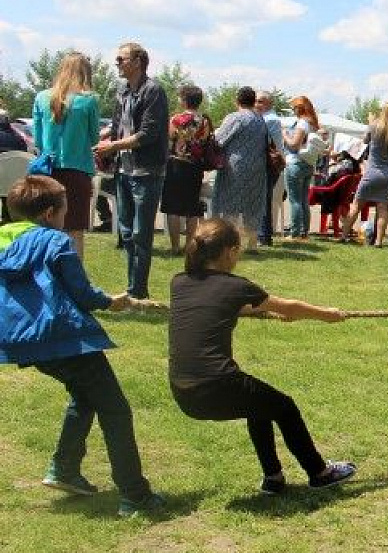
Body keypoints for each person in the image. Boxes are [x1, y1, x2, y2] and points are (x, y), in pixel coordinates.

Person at [0, 175, 164, 517]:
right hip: (63, 338)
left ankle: (65, 469)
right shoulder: (56, 241)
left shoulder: (3, 239)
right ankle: (135, 495)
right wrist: (113, 301)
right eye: (65, 209)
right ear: (49, 213)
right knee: (116, 410)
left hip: (22, 340)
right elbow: (84, 296)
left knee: (85, 394)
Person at [168, 217, 355, 493]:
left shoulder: (180, 282)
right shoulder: (236, 286)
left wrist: (265, 313)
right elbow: (289, 306)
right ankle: (320, 473)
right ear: (230, 251)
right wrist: (326, 315)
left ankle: (274, 478)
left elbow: (218, 306)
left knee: (259, 404)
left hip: (183, 391)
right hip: (217, 384)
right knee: (285, 407)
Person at [94, 41, 169, 300]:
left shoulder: (153, 91)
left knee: (140, 234)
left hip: (147, 172)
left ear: (138, 61)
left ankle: (138, 291)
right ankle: (133, 288)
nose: (117, 63)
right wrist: (104, 141)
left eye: (121, 59)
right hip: (123, 171)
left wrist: (113, 144)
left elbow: (149, 133)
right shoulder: (122, 90)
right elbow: (117, 126)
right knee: (125, 232)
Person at [31, 52, 101, 259]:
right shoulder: (89, 100)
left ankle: (46, 277)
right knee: (74, 231)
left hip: (47, 172)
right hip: (77, 171)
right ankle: (74, 282)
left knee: (46, 229)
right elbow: (94, 138)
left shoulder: (41, 97)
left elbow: (37, 140)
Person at [211, 87, 268, 253]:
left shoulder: (235, 118)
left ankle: (229, 243)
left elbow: (219, 141)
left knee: (231, 204)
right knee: (253, 205)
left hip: (236, 167)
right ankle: (252, 243)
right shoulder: (260, 119)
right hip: (258, 167)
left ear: (237, 100)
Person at [161, 85, 213, 254]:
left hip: (176, 164)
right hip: (196, 166)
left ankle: (175, 246)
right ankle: (189, 245)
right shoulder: (204, 121)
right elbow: (205, 142)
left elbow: (169, 141)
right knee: (192, 207)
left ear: (184, 100)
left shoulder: (175, 120)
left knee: (173, 207)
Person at [345, 101, 388, 246]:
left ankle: (344, 235)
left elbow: (365, 140)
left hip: (373, 172)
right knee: (382, 209)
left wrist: (370, 121)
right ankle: (378, 241)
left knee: (356, 205)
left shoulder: (375, 125)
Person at [282, 96, 322, 240]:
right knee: (304, 199)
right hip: (308, 164)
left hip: (295, 163)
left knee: (295, 200)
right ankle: (304, 232)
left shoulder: (302, 123)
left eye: (293, 108)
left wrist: (285, 135)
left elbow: (294, 145)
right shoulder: (313, 124)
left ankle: (295, 233)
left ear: (299, 108)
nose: (293, 110)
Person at [253, 92, 285, 246]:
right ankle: (264, 235)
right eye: (255, 101)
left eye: (260, 101)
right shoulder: (268, 118)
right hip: (270, 163)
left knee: (263, 200)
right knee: (264, 199)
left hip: (269, 164)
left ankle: (263, 236)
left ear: (269, 104)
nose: (256, 104)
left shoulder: (269, 119)